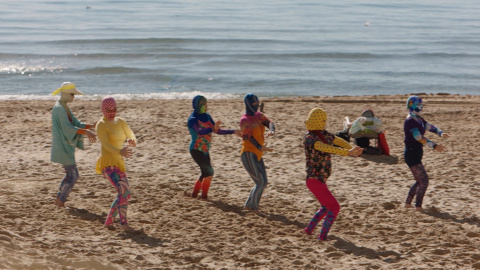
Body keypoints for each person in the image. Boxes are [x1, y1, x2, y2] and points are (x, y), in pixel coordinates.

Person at [303, 108, 363, 241]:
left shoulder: (322, 134)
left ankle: (308, 229)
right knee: (335, 207)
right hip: (314, 180)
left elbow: (338, 141)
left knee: (326, 207)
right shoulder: (310, 138)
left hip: (319, 180)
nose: (324, 122)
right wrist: (347, 153)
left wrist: (351, 149)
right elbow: (327, 148)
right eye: (322, 120)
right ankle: (322, 236)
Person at [51, 82, 97, 208]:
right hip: (63, 147)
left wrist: (91, 126)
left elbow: (76, 123)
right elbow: (67, 128)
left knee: (70, 175)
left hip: (66, 146)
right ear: (65, 94)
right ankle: (60, 202)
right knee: (73, 176)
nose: (73, 97)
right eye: (72, 94)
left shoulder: (64, 106)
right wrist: (86, 131)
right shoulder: (59, 108)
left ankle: (59, 200)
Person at [187, 95, 241, 199]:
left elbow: (217, 130)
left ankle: (196, 195)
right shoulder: (192, 119)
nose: (205, 106)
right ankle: (203, 196)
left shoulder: (207, 116)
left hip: (205, 150)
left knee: (205, 173)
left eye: (206, 103)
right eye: (203, 104)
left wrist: (233, 131)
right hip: (195, 149)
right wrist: (212, 128)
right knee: (210, 171)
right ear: (197, 105)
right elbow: (200, 131)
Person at [95, 97, 137, 231]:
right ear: (103, 110)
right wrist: (120, 151)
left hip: (119, 163)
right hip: (108, 164)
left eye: (114, 110)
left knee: (125, 193)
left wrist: (132, 140)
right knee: (123, 192)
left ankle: (109, 222)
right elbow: (106, 145)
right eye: (108, 110)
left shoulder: (120, 122)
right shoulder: (101, 125)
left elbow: (130, 133)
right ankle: (124, 224)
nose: (112, 113)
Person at [403, 95, 448, 212]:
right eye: (419, 105)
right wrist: (434, 146)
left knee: (420, 180)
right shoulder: (410, 121)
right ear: (412, 106)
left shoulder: (419, 119)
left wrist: (440, 133)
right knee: (424, 181)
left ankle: (408, 204)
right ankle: (418, 207)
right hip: (411, 154)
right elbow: (418, 137)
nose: (421, 107)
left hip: (416, 153)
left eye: (421, 105)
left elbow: (430, 127)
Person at [239, 94, 275, 215]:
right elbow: (249, 138)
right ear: (248, 104)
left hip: (258, 153)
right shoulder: (244, 120)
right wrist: (261, 147)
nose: (256, 106)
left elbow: (269, 122)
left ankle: (248, 205)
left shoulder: (259, 116)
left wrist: (272, 130)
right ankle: (254, 208)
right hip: (248, 153)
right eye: (254, 104)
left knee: (264, 182)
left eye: (257, 104)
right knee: (259, 182)